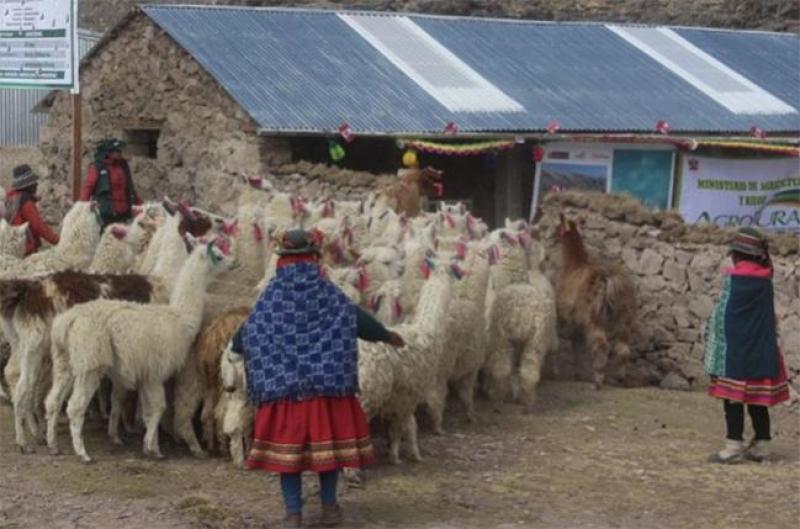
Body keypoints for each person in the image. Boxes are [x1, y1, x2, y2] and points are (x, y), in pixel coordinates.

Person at [229, 229, 405, 528]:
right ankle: (330, 508)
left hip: (284, 392)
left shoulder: (271, 297)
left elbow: (248, 331)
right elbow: (355, 318)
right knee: (329, 455)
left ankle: (294, 514)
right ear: (314, 259)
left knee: (289, 462)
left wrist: (235, 347)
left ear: (282, 261)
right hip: (327, 390)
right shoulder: (327, 293)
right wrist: (386, 335)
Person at [704, 227, 789, 463]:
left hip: (736, 351)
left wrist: (716, 345)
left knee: (733, 400)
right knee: (757, 401)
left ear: (737, 254)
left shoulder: (735, 278)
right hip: (762, 349)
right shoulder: (766, 278)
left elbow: (724, 315)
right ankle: (762, 445)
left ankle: (733, 446)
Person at [79, 138, 142, 228]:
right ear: (108, 153)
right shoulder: (98, 167)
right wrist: (81, 208)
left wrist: (142, 206)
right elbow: (89, 187)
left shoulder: (123, 166)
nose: (119, 153)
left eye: (119, 151)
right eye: (116, 151)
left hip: (123, 215)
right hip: (105, 216)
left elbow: (130, 190)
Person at [4, 164, 59, 256]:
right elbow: (38, 225)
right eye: (34, 182)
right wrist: (57, 240)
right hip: (24, 248)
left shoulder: (11, 197)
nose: (36, 184)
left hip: (12, 245)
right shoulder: (25, 201)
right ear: (28, 185)